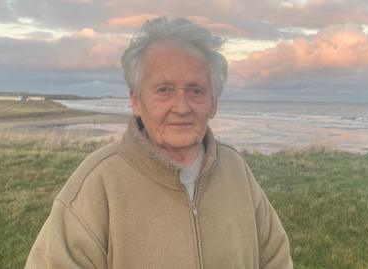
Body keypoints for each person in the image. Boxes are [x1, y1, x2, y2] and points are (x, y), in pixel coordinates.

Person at [25, 17, 293, 269]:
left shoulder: (236, 169)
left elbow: (276, 257)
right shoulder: (96, 183)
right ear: (136, 101)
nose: (181, 107)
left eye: (196, 90)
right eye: (164, 90)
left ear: (213, 104)